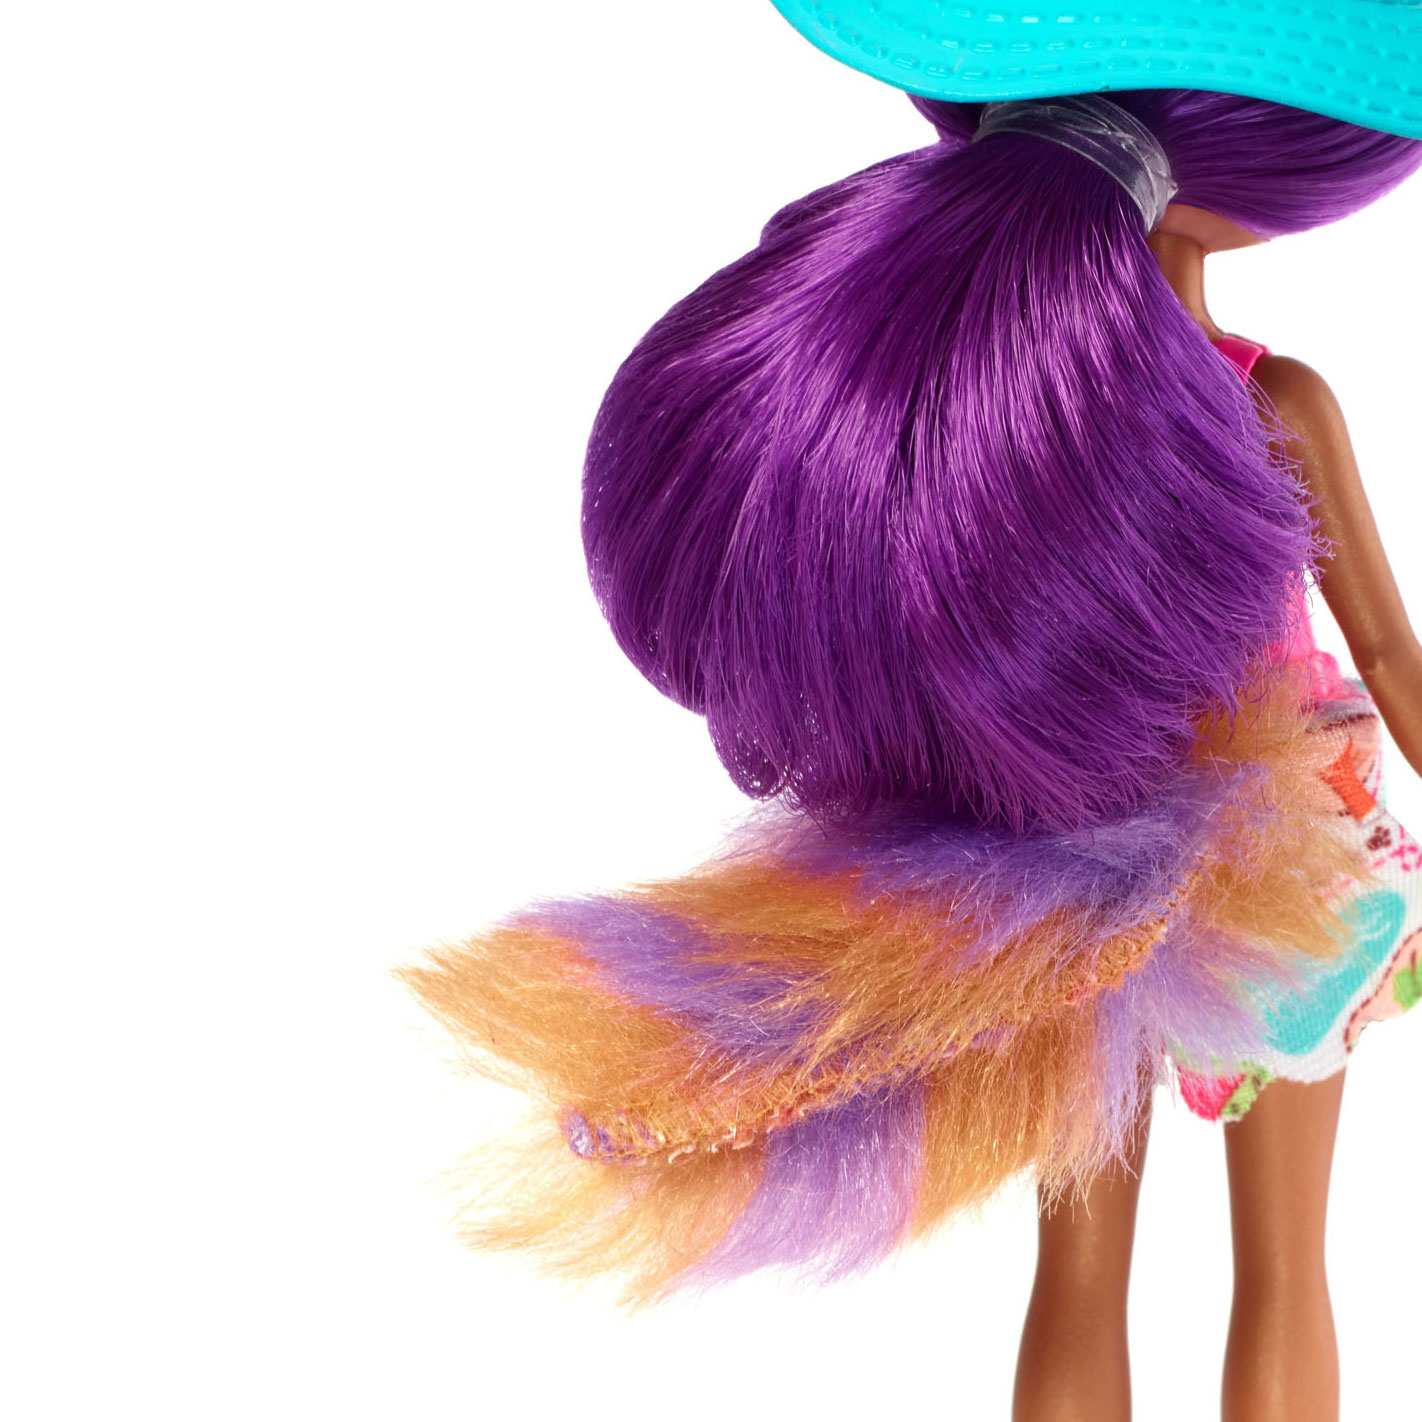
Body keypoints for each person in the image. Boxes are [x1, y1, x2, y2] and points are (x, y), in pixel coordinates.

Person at [401, 38, 1422, 1422]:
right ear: (1262, 174)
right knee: (1284, 1270)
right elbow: (1387, 655)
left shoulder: (999, 415)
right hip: (1288, 862)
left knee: (1081, 1274)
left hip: (1081, 865)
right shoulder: (1264, 397)